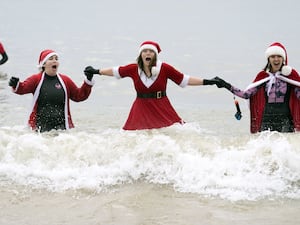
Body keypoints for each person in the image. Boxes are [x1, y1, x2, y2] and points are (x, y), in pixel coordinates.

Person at [84, 40, 218, 130]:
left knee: (175, 131)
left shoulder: (164, 68)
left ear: (155, 55)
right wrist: (96, 71)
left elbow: (184, 80)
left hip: (161, 105)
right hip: (140, 107)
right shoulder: (133, 68)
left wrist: (209, 81)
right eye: (145, 51)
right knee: (133, 134)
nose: (148, 53)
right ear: (141, 54)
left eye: (151, 51)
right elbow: (115, 71)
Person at [214, 42, 300, 133]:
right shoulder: (263, 76)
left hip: (286, 119)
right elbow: (246, 95)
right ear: (268, 59)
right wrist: (225, 85)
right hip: (267, 119)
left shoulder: (291, 76)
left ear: (283, 58)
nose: (276, 59)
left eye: (279, 56)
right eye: (273, 56)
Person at [8, 49, 95, 132]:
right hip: (39, 129)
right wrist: (15, 84)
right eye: (51, 59)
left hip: (63, 129)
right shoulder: (36, 79)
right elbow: (22, 89)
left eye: (56, 59)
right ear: (43, 64)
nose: (55, 61)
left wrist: (88, 80)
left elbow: (79, 96)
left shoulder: (65, 80)